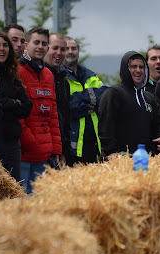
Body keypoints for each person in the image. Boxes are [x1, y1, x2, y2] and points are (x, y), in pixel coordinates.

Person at [0, 30, 32, 182]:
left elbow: (27, 107)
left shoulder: (12, 75)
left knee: (13, 192)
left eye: (5, 45)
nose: (1, 49)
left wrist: (1, 103)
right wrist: (14, 103)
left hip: (12, 143)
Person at [98, 51, 160, 157]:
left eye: (141, 67)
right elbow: (105, 126)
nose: (138, 70)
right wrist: (110, 152)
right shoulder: (113, 93)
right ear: (125, 69)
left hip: (147, 159)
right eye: (133, 67)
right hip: (121, 160)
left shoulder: (148, 97)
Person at [18, 27, 62, 193]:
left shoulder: (48, 75)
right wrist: (31, 143)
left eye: (44, 43)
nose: (40, 47)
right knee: (21, 201)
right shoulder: (17, 71)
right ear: (27, 45)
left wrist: (56, 148)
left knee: (40, 201)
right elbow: (18, 115)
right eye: (36, 42)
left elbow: (53, 115)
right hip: (25, 153)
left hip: (45, 155)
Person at [63, 36, 106, 164]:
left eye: (74, 48)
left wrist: (81, 98)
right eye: (66, 48)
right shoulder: (60, 77)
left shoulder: (91, 76)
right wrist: (92, 104)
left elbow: (104, 97)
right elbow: (69, 107)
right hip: (72, 150)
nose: (71, 51)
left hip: (94, 147)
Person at [44, 33, 71, 166]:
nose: (59, 53)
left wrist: (63, 150)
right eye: (55, 48)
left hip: (60, 151)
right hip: (44, 150)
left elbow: (65, 118)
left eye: (63, 49)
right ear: (46, 48)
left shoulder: (63, 81)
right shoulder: (40, 76)